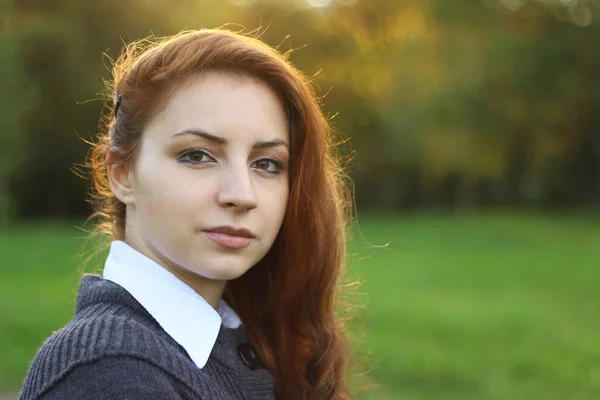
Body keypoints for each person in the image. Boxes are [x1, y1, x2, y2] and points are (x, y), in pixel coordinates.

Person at [19, 29, 356, 399]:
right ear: (122, 174)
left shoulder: (241, 337)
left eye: (266, 163)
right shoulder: (111, 373)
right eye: (197, 155)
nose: (242, 195)